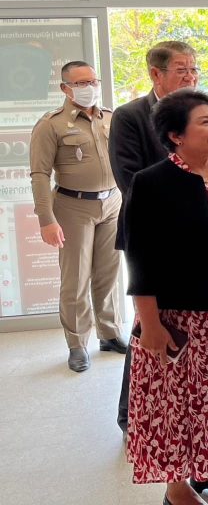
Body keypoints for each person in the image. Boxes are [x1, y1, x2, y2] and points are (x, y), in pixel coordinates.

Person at [124, 90, 208, 505]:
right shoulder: (152, 183)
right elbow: (140, 259)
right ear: (176, 135)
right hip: (181, 317)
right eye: (204, 122)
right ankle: (177, 486)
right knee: (180, 403)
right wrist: (150, 324)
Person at [111, 40, 199, 433]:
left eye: (194, 69)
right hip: (151, 237)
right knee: (149, 325)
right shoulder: (130, 116)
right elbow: (129, 179)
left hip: (197, 235)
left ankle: (187, 413)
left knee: (189, 327)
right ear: (155, 74)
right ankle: (132, 415)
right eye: (182, 69)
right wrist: (183, 206)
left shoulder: (200, 113)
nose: (190, 76)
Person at [29, 60, 125, 372]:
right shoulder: (51, 124)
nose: (89, 88)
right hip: (73, 207)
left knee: (108, 273)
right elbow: (40, 174)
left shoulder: (111, 117)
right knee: (76, 279)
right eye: (81, 83)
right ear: (65, 88)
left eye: (93, 82)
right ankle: (77, 343)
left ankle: (109, 333)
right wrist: (46, 219)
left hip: (112, 203)